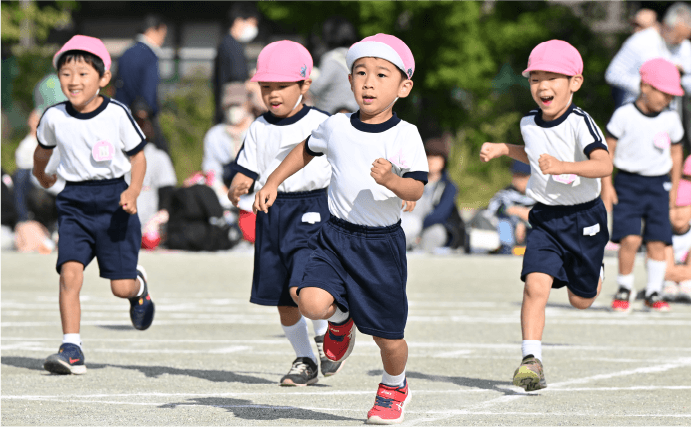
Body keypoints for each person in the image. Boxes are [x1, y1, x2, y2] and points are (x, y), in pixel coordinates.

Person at [255, 33, 428, 424]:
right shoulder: (334, 127)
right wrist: (271, 182)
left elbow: (416, 185)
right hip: (334, 236)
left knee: (389, 339)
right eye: (360, 73)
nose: (368, 82)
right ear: (349, 80)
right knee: (309, 301)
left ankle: (394, 384)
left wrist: (394, 182)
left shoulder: (406, 134)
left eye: (382, 75)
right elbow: (303, 150)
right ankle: (338, 322)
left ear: (404, 86)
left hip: (380, 247)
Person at [480, 40, 612, 392]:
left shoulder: (581, 122)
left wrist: (564, 166)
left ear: (575, 82)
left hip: (585, 218)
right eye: (535, 78)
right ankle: (530, 360)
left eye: (553, 77)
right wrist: (503, 149)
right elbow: (534, 152)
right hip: (546, 219)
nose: (543, 86)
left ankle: (594, 268)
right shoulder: (528, 123)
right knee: (534, 286)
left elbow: (604, 163)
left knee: (581, 301)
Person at [33, 35, 155, 375]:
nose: (74, 81)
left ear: (102, 79)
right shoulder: (54, 116)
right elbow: (42, 150)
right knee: (69, 273)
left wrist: (132, 192)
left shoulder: (116, 113)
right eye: (66, 73)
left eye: (83, 73)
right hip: (74, 202)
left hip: (116, 202)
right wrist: (42, 173)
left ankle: (138, 289)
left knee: (121, 287)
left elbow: (139, 157)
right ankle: (72, 347)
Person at [226, 40, 338, 386]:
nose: (273, 94)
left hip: (314, 209)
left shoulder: (323, 123)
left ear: (304, 86)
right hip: (272, 214)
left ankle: (326, 334)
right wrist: (238, 184)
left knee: (302, 287)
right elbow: (246, 168)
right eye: (266, 87)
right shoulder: (258, 127)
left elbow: (350, 165)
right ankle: (305, 359)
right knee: (281, 298)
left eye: (282, 86)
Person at [603, 58, 684, 313]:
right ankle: (624, 288)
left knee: (658, 240)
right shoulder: (624, 115)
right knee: (629, 238)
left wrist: (673, 190)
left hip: (659, 184)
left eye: (671, 95)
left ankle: (653, 290)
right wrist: (607, 185)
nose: (666, 100)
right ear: (644, 86)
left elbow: (676, 154)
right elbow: (609, 150)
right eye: (662, 92)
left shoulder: (671, 119)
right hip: (628, 182)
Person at [605, 2, 691, 109]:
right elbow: (612, 74)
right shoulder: (641, 40)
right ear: (666, 25)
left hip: (669, 115)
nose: (680, 41)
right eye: (678, 36)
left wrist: (680, 77)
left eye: (685, 37)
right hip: (636, 111)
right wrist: (648, 87)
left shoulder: (685, 47)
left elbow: (688, 82)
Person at [114, 14, 169, 154]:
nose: (162, 40)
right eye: (162, 34)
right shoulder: (149, 55)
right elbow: (148, 88)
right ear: (152, 30)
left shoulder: (125, 53)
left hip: (122, 114)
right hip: (142, 116)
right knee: (158, 155)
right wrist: (144, 109)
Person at [401, 134, 463, 252]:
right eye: (428, 156)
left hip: (431, 225)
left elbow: (440, 214)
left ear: (443, 161)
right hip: (409, 222)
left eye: (435, 157)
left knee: (435, 233)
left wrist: (419, 227)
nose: (431, 161)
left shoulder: (449, 187)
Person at [128, 98, 177, 250]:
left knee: (149, 241)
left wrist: (158, 219)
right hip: (122, 220)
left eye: (143, 123)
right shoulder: (115, 157)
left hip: (149, 222)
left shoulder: (158, 157)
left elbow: (167, 194)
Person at [213, 1, 260, 124]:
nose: (254, 28)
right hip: (234, 106)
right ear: (239, 21)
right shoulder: (232, 46)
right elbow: (238, 76)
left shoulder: (227, 43)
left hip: (225, 105)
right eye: (252, 23)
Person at [309, 16, 359, 114]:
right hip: (355, 113)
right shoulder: (357, 57)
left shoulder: (332, 58)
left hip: (331, 114)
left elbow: (316, 88)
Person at [486, 160, 536, 255]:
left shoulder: (539, 196)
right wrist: (519, 215)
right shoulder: (506, 193)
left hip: (529, 231)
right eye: (516, 176)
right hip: (511, 230)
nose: (519, 180)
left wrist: (523, 223)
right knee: (504, 223)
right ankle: (506, 248)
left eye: (523, 177)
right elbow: (496, 209)